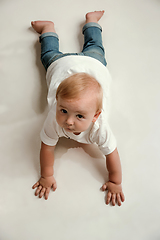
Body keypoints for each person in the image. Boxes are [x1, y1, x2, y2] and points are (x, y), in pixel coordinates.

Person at [31, 11, 125, 206]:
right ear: (58, 102)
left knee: (94, 47)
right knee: (50, 56)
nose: (68, 121)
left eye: (80, 115)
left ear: (96, 115)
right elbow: (46, 147)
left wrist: (116, 181)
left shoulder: (100, 127)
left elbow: (112, 154)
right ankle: (48, 29)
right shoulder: (53, 119)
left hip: (92, 65)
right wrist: (46, 175)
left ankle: (91, 21)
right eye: (63, 110)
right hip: (63, 65)